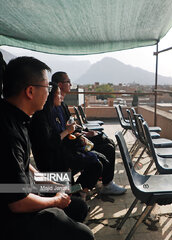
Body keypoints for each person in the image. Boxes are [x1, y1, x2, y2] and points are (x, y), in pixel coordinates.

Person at [0, 56, 94, 240]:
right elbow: (17, 201)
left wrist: (50, 184)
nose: (51, 93)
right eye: (48, 88)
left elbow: (24, 164)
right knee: (84, 235)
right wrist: (55, 201)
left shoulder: (18, 117)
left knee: (76, 203)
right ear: (30, 91)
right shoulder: (8, 130)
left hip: (23, 185)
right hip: (10, 211)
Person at [51, 71, 126, 195]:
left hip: (74, 139)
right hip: (70, 146)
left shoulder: (62, 105)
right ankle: (95, 186)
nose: (70, 84)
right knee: (105, 152)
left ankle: (102, 182)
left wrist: (85, 132)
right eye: (68, 82)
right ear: (59, 85)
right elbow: (60, 135)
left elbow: (70, 125)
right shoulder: (49, 111)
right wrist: (77, 134)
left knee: (108, 142)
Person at [30, 83, 103, 196]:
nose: (61, 97)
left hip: (62, 154)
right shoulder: (41, 117)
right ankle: (78, 192)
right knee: (96, 164)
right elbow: (50, 143)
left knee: (97, 159)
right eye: (58, 94)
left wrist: (78, 136)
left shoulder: (54, 112)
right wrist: (67, 131)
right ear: (50, 96)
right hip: (53, 162)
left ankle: (78, 191)